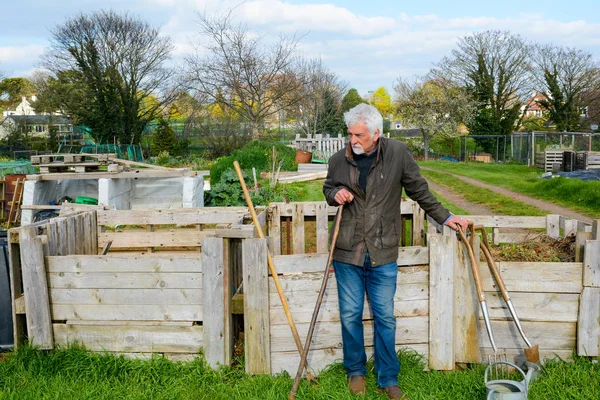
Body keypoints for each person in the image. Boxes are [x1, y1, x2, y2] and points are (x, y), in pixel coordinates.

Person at [323, 103, 468, 399]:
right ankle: (356, 371)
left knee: (385, 317)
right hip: (347, 251)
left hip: (382, 249)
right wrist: (334, 194)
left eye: (360, 135)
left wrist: (446, 217)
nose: (353, 140)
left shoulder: (398, 153)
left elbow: (418, 189)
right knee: (350, 314)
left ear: (377, 133)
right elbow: (328, 188)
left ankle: (388, 377)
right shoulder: (339, 159)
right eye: (350, 134)